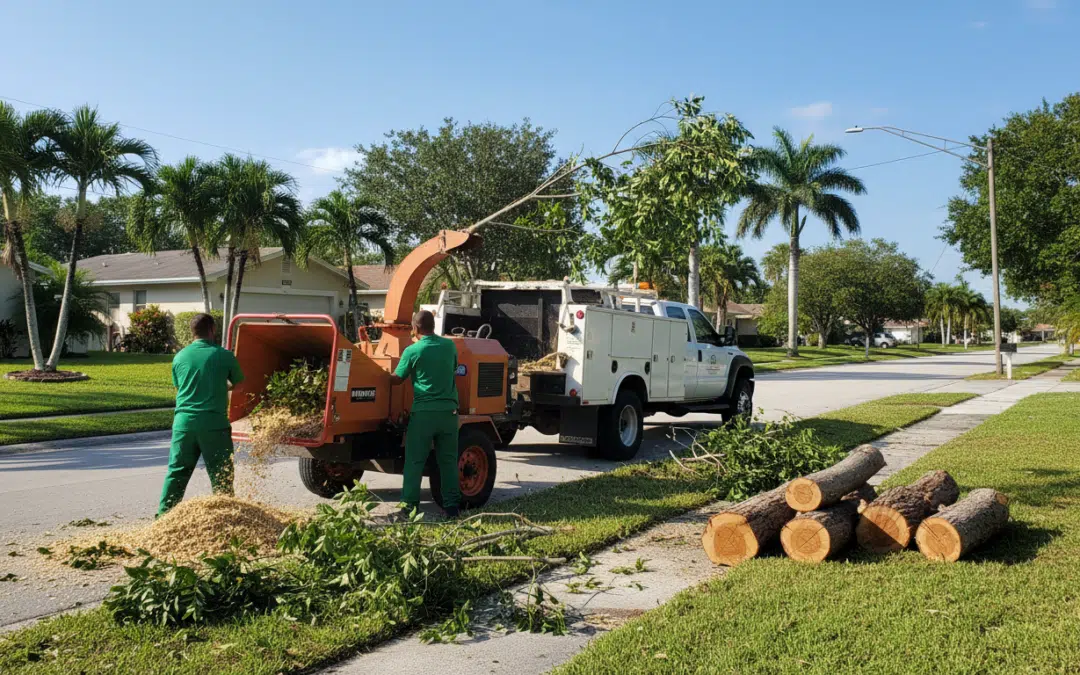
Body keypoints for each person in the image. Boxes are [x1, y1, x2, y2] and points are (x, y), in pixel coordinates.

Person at [158, 313, 244, 516]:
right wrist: (223, 388)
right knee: (221, 474)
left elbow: (181, 388)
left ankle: (163, 518)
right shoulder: (224, 355)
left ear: (192, 332)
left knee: (176, 473)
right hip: (214, 424)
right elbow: (240, 387)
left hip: (183, 424)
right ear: (212, 330)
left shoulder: (179, 357)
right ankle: (224, 516)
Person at [388, 310, 460, 517]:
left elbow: (398, 378)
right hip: (448, 414)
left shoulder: (413, 350)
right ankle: (452, 509)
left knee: (414, 462)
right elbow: (453, 368)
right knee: (448, 462)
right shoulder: (449, 346)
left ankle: (409, 507)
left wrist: (381, 375)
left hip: (424, 415)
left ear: (415, 328)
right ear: (433, 326)